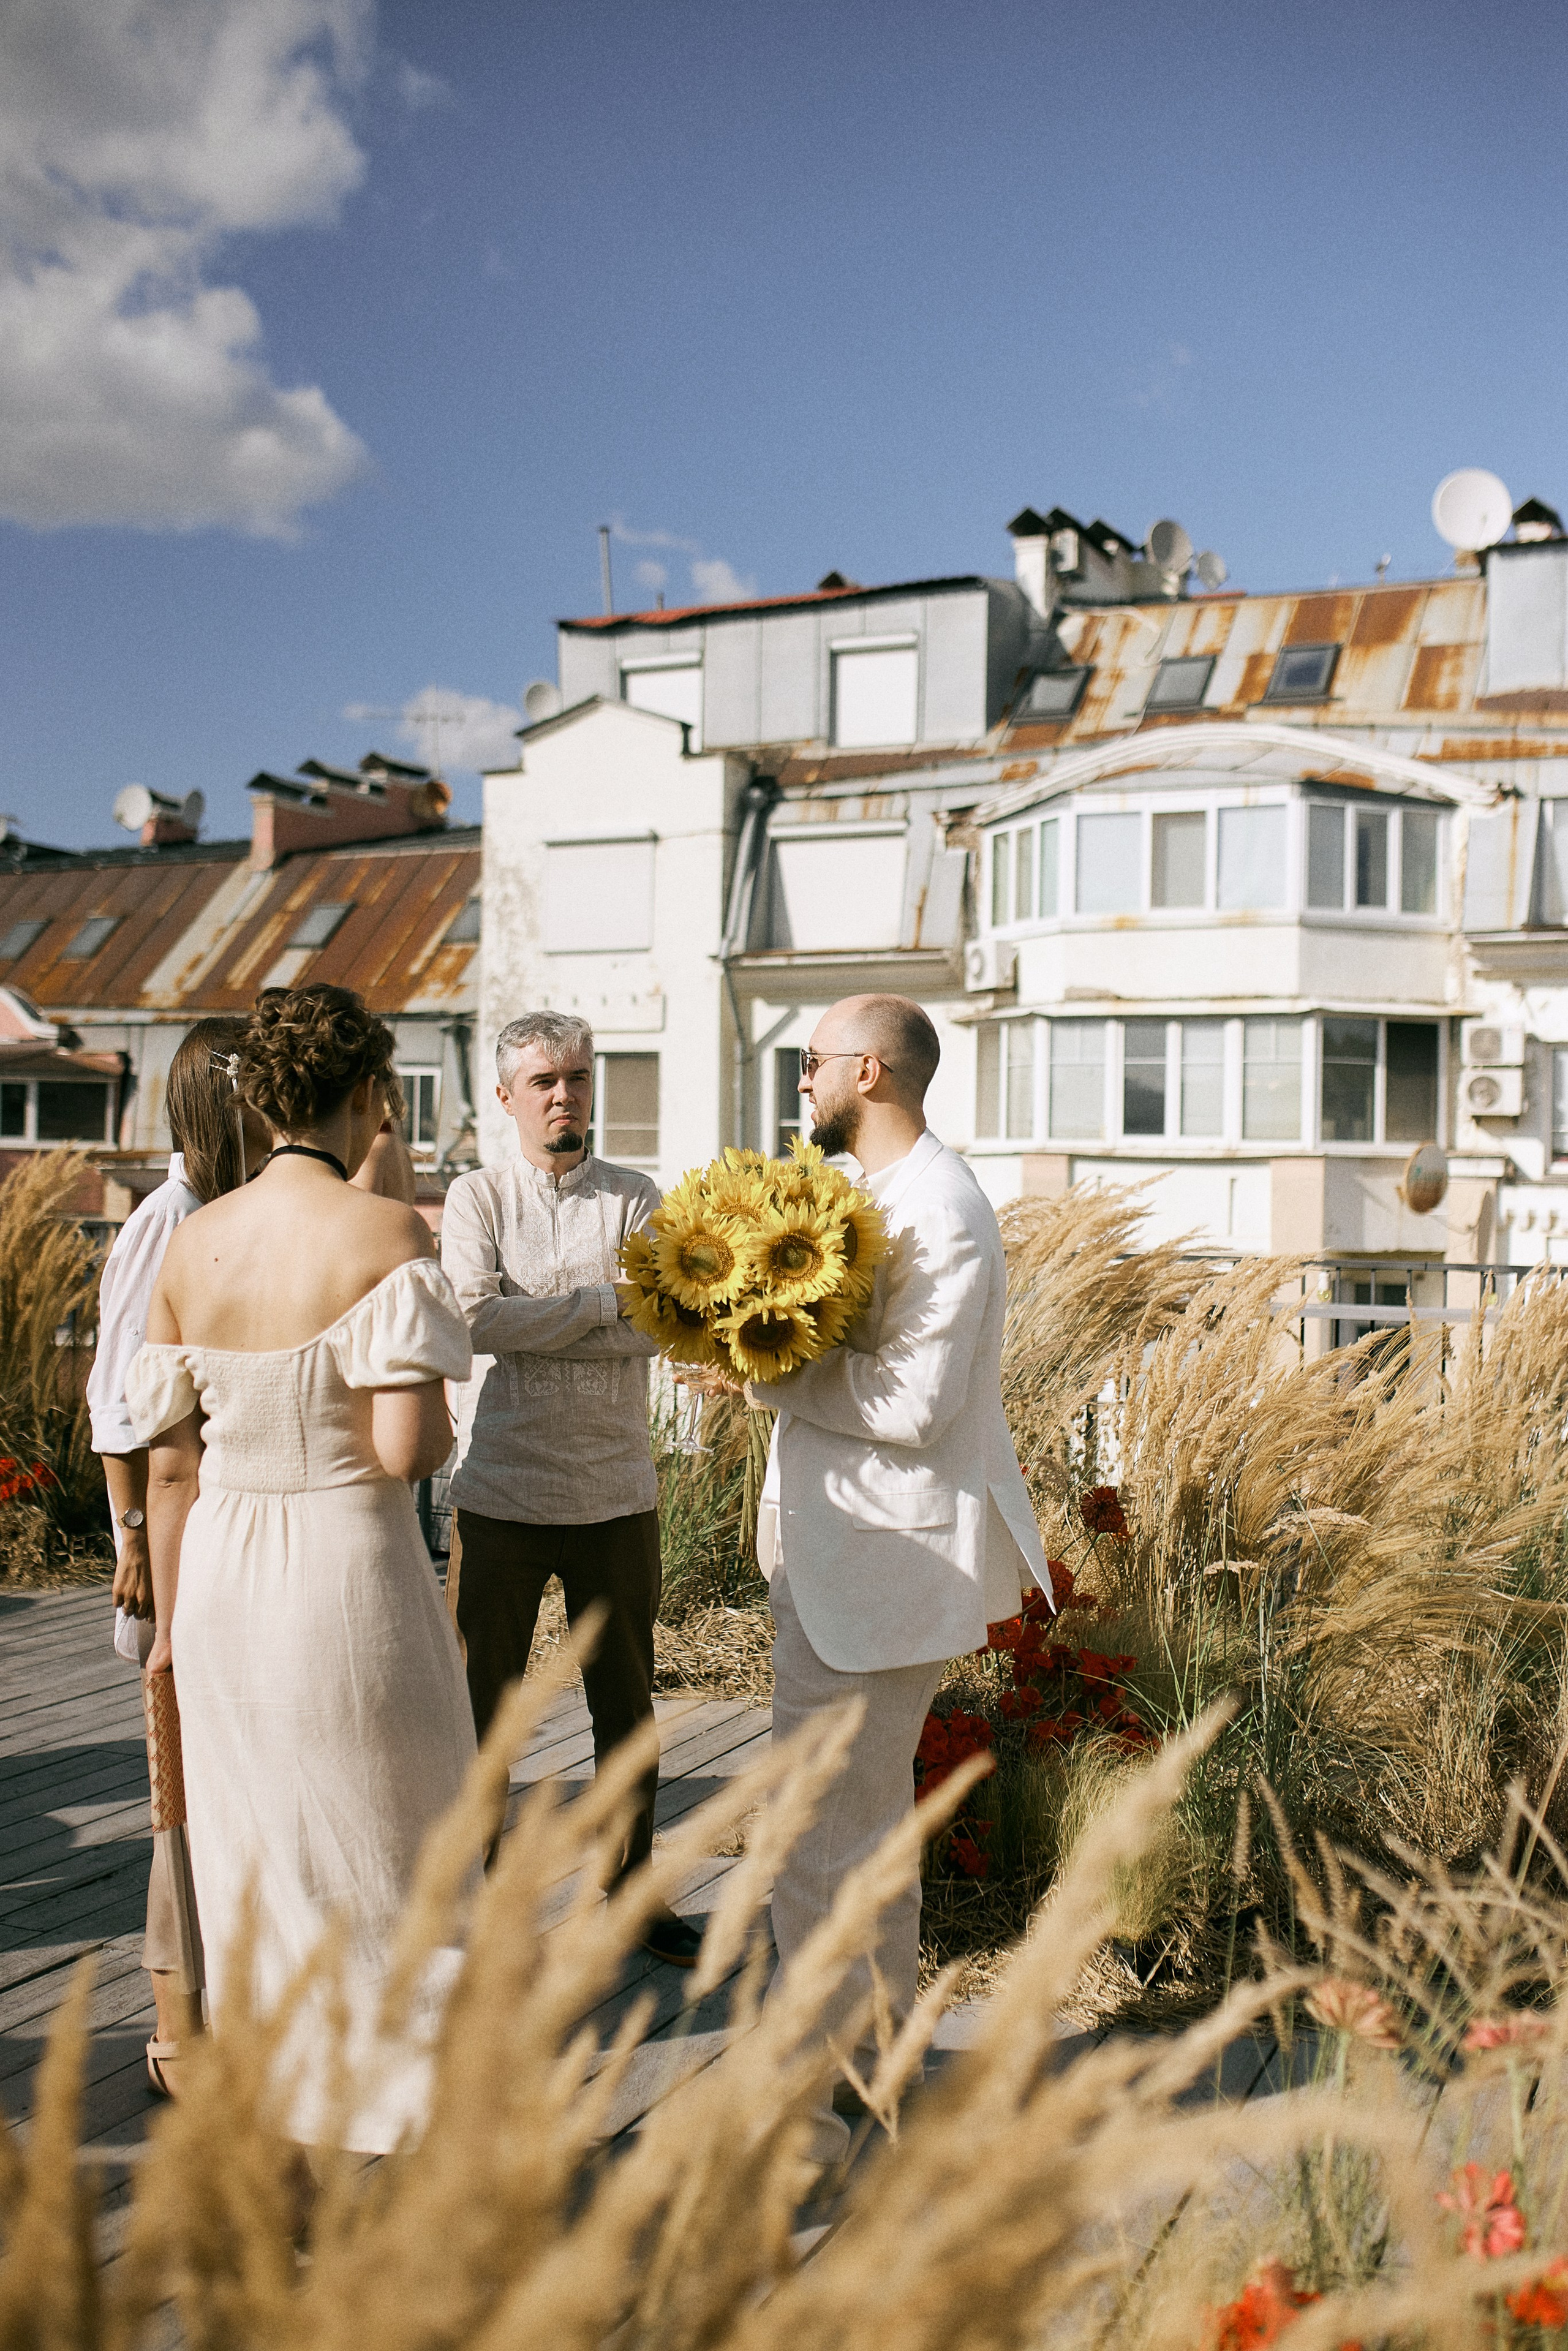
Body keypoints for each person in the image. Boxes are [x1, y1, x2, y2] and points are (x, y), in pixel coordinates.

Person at [126, 984, 477, 2153]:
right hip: (345, 1562)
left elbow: (168, 1469)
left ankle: (284, 2097)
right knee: (396, 1834)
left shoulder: (191, 1241)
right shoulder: (386, 1234)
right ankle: (401, 2105)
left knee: (258, 1840)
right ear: (369, 1093)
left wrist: (170, 1628)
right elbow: (407, 1449)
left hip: (221, 1571)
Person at [747, 992, 1052, 2171]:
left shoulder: (941, 1210)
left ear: (868, 1071)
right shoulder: (861, 1193)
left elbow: (916, 1406)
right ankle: (870, 2073)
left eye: (811, 1060)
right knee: (861, 1839)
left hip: (881, 1567)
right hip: (844, 1553)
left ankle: (811, 2116)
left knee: (819, 1844)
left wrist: (766, 1372)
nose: (803, 1080)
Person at [440, 1011, 699, 1967]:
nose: (565, 1096)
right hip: (500, 1491)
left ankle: (631, 1891)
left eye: (578, 1078)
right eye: (545, 1082)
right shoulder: (478, 1196)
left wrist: (542, 1316)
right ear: (506, 1096)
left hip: (614, 1491)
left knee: (625, 1706)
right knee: (481, 1709)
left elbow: (661, 1326)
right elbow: (472, 1319)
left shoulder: (636, 1199)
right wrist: (598, 1305)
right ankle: (472, 1898)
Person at [87, 1015, 273, 2099]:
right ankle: (175, 2030)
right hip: (168, 1541)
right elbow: (118, 1398)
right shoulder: (167, 1220)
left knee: (222, 1779)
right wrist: (130, 1541)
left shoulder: (231, 1213)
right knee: (178, 1790)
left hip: (223, 1533)